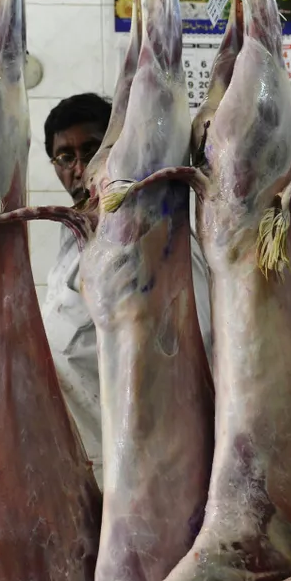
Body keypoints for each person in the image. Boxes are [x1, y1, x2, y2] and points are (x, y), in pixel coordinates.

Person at [39, 93, 212, 469]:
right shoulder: (70, 233)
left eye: (91, 149)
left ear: (113, 150)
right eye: (65, 156)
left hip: (152, 465)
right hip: (87, 460)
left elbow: (201, 340)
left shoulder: (156, 236)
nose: (80, 167)